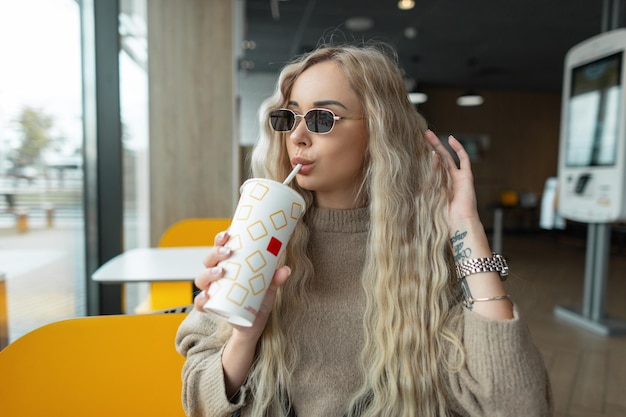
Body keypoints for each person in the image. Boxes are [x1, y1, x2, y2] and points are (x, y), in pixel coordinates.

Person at [175, 42, 553, 417]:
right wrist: (246, 335)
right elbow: (200, 402)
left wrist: (466, 227)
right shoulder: (261, 235)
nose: (297, 137)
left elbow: (518, 406)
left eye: (322, 118)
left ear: (379, 130)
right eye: (289, 118)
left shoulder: (427, 255)